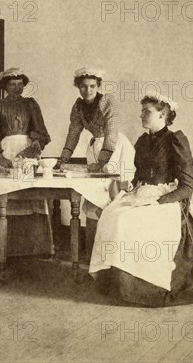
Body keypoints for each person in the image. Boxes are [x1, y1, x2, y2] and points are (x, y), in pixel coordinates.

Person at [88, 92, 193, 307]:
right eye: (142, 111)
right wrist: (132, 185)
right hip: (142, 194)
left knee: (128, 221)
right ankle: (116, 283)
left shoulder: (176, 140)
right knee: (110, 215)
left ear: (163, 114)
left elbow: (187, 187)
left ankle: (146, 286)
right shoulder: (143, 141)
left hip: (167, 200)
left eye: (147, 112)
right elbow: (140, 174)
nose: (141, 115)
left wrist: (160, 202)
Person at [56, 68, 135, 258]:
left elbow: (112, 132)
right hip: (94, 149)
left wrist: (102, 162)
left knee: (113, 196)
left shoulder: (108, 101)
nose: (88, 90)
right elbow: (73, 134)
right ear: (78, 87)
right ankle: (94, 252)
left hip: (116, 149)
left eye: (92, 86)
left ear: (98, 86)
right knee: (94, 198)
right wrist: (62, 160)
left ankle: (116, 253)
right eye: (83, 86)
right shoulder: (78, 107)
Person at [0, 67, 53, 257]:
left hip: (27, 150)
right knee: (4, 194)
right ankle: (3, 248)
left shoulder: (31, 104)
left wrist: (35, 145)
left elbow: (40, 129)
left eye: (20, 84)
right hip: (6, 149)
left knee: (30, 192)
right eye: (12, 84)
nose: (16, 88)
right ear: (5, 86)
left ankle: (33, 249)